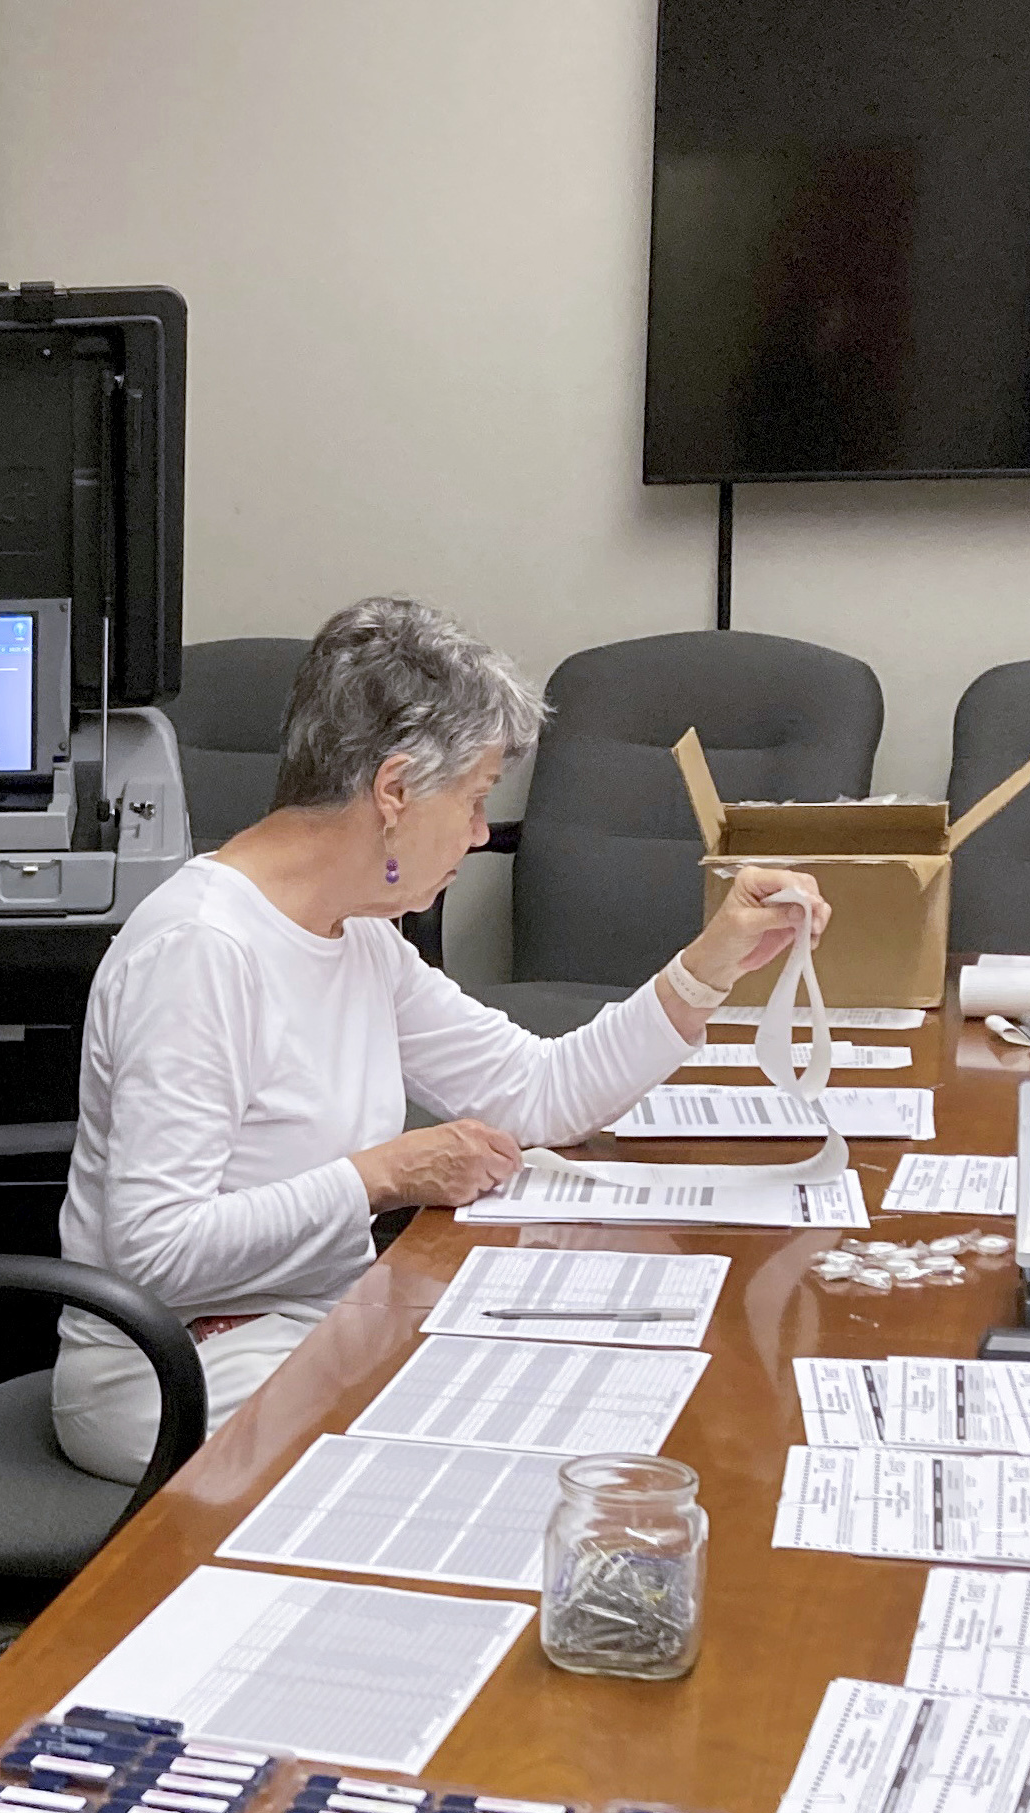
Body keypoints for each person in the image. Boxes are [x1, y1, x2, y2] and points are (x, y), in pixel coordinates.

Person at [51, 598, 827, 1480]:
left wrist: (708, 968)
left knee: (608, 1395)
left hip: (309, 1326)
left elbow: (538, 1095)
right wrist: (384, 1175)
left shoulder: (360, 936)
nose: (477, 832)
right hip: (176, 1371)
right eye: (472, 798)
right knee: (532, 1447)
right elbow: (157, 1252)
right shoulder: (200, 949)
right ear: (393, 791)